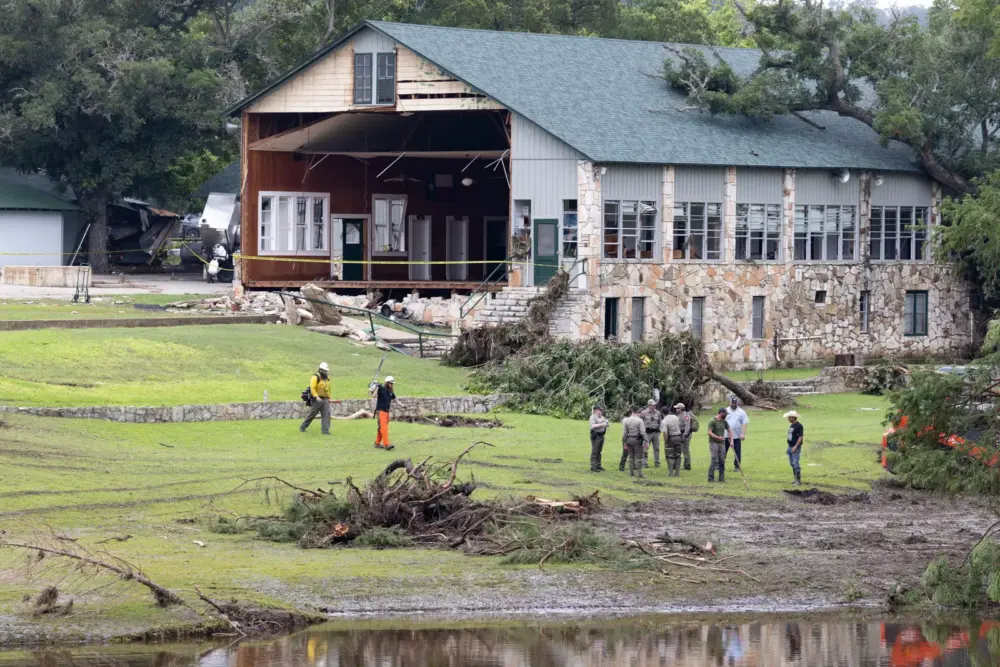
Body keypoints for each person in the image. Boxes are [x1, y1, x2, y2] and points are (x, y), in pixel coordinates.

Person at [371, 375, 404, 451]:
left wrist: (403, 405)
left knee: (381, 428)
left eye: (392, 384)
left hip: (387, 412)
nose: (392, 385)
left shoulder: (391, 392)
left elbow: (396, 400)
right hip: (381, 411)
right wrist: (376, 387)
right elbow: (373, 396)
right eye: (390, 383)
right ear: (387, 383)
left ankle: (377, 443)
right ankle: (386, 444)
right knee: (384, 428)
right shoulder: (381, 389)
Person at [300, 362, 332, 435]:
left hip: (325, 399)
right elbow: (312, 388)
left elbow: (328, 389)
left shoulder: (326, 379)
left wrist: (329, 397)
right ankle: (303, 426)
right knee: (312, 414)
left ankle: (325, 430)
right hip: (317, 399)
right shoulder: (315, 377)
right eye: (324, 370)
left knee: (326, 414)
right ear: (321, 370)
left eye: (326, 370)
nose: (326, 372)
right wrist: (316, 396)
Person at [707, 407, 734, 483]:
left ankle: (721, 479)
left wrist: (732, 441)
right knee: (714, 460)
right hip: (713, 443)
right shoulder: (712, 421)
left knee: (722, 461)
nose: (726, 415)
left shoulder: (724, 422)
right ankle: (710, 478)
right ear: (721, 413)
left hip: (722, 444)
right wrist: (717, 437)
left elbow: (730, 431)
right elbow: (709, 432)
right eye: (726, 414)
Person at [725, 396, 750, 472]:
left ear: (737, 403)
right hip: (726, 435)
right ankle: (720, 465)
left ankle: (737, 466)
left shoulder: (741, 412)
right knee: (723, 451)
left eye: (735, 403)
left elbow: (744, 423)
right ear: (730, 403)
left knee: (737, 452)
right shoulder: (726, 410)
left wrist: (743, 433)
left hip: (736, 436)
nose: (734, 404)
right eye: (732, 403)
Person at [621, 406, 646, 478]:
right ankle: (639, 474)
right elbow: (643, 432)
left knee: (631, 457)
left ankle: (631, 473)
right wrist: (646, 441)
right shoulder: (640, 421)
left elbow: (625, 433)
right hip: (637, 440)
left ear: (631, 411)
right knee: (638, 458)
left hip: (629, 440)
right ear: (638, 411)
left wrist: (625, 442)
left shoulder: (627, 420)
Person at [661, 405, 684, 477]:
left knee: (669, 456)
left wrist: (666, 441)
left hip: (671, 439)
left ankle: (670, 473)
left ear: (662, 413)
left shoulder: (664, 421)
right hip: (678, 438)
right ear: (668, 411)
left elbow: (665, 433)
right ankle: (677, 473)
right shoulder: (675, 417)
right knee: (678, 456)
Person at [640, 399, 662, 468]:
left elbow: (660, 422)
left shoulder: (657, 413)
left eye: (655, 405)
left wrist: (659, 431)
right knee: (645, 448)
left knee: (657, 448)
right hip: (647, 433)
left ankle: (657, 463)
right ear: (649, 405)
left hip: (655, 432)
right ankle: (644, 463)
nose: (654, 406)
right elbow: (639, 422)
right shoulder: (644, 413)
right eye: (652, 405)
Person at [785, 410, 804, 486]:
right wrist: (788, 448)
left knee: (795, 463)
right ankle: (795, 479)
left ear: (794, 417)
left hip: (795, 447)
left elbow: (800, 437)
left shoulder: (799, 426)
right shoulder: (792, 425)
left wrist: (795, 447)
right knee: (791, 463)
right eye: (788, 417)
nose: (788, 418)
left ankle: (798, 481)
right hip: (790, 446)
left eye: (790, 417)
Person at [676, 402, 697, 470]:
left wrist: (684, 436)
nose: (676, 409)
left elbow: (687, 427)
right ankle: (685, 464)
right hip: (681, 434)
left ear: (681, 409)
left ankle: (687, 466)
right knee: (683, 449)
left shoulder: (686, 416)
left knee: (685, 450)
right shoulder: (679, 415)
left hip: (686, 435)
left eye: (677, 408)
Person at [589, 405, 609, 472]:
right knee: (594, 451)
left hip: (601, 435)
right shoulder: (593, 417)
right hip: (596, 436)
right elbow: (593, 426)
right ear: (595, 410)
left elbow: (606, 424)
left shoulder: (601, 417)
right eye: (600, 410)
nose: (601, 411)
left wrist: (606, 423)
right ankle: (593, 466)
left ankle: (598, 465)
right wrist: (602, 424)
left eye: (601, 410)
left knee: (599, 452)